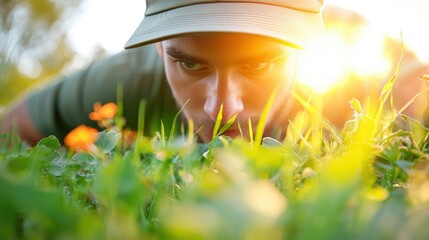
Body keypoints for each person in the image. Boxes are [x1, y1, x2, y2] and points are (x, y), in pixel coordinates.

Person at [0, 0, 427, 145]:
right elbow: (13, 129)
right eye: (189, 63)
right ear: (159, 46)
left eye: (259, 63)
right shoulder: (131, 75)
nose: (222, 107)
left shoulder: (357, 58)